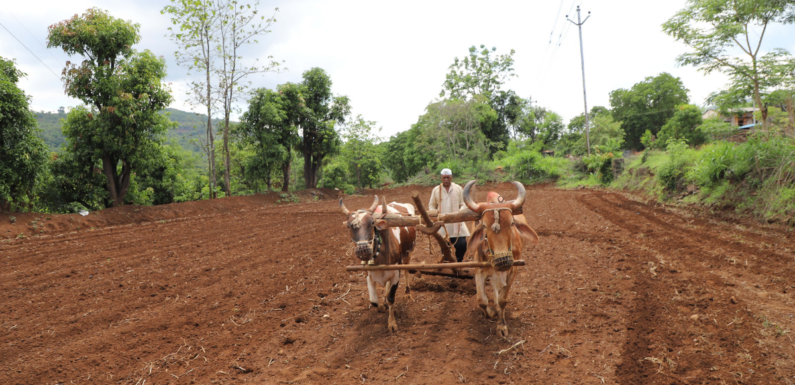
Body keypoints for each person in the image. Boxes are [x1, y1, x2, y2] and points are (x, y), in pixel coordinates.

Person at [428, 168, 470, 262]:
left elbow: (464, 204)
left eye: (448, 177)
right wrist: (435, 213)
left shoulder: (458, 188)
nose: (446, 179)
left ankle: (458, 262)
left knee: (462, 245)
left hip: (457, 223)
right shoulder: (436, 190)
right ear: (441, 178)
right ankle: (448, 265)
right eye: (444, 177)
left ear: (451, 178)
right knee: (445, 248)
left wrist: (459, 212)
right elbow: (432, 205)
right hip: (443, 225)